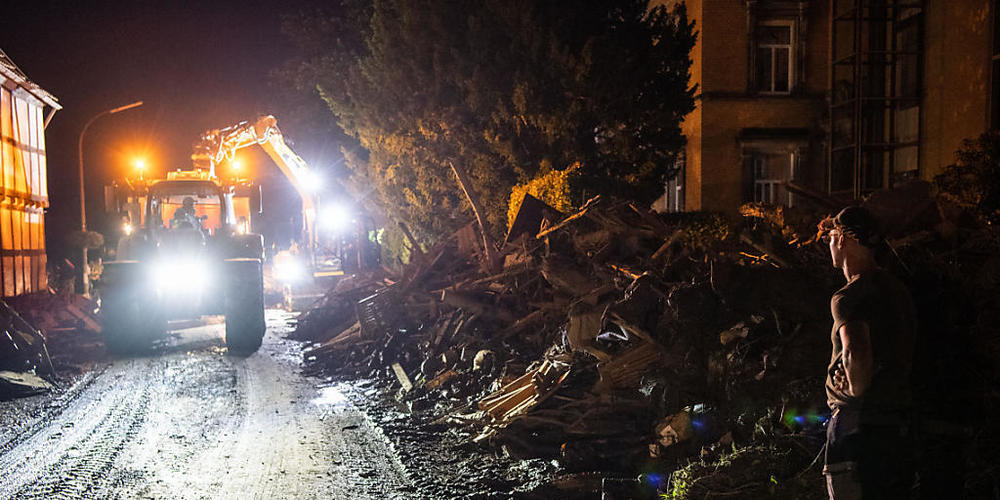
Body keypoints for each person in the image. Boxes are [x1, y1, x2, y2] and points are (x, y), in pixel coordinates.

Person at [820, 206, 917, 499]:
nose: (830, 245)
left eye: (831, 236)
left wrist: (851, 385)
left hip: (857, 427)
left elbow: (856, 353)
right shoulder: (897, 290)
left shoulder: (849, 297)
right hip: (898, 425)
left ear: (844, 239)